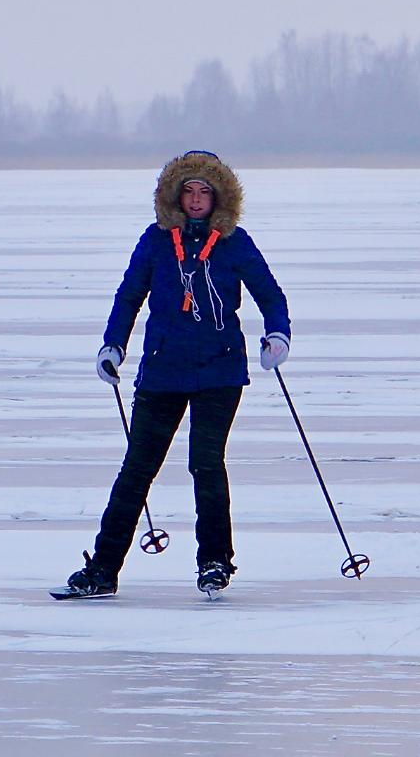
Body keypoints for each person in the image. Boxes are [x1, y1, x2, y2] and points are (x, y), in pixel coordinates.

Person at [63, 150, 292, 597]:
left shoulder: (235, 242)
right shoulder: (154, 241)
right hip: (162, 371)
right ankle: (103, 570)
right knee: (137, 469)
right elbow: (129, 296)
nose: (195, 199)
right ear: (174, 196)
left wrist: (277, 336)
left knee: (205, 465)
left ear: (219, 197)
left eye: (204, 191)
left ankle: (214, 562)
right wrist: (113, 346)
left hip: (219, 372)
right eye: (187, 191)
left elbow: (270, 294)